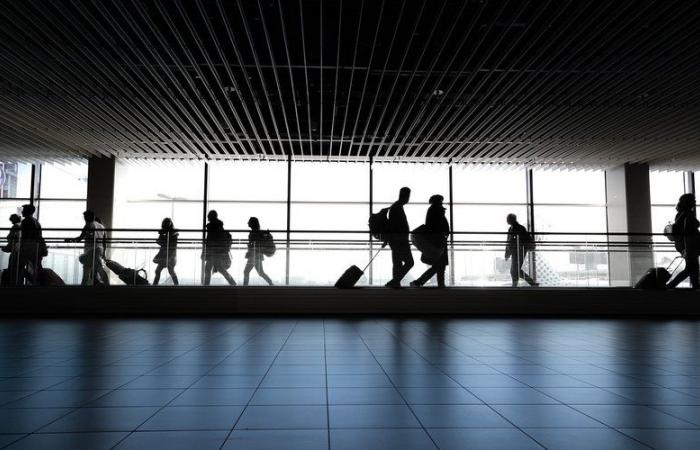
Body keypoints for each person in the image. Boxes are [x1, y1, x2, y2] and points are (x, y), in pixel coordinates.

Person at [411, 195, 449, 288]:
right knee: (439, 265)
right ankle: (420, 282)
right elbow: (437, 226)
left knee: (439, 265)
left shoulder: (433, 210)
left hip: (437, 240)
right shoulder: (436, 210)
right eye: (440, 201)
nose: (442, 202)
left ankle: (423, 282)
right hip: (438, 241)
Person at [66, 210, 107, 286]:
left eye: (85, 217)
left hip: (91, 251)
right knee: (94, 268)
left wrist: (69, 240)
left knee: (87, 265)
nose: (84, 219)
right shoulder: (101, 226)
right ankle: (105, 285)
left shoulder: (88, 225)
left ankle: (85, 287)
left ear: (89, 217)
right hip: (99, 250)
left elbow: (79, 239)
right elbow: (104, 243)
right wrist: (104, 254)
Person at [667, 193, 699, 288]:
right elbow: (687, 233)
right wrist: (687, 249)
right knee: (691, 268)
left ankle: (696, 286)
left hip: (683, 245)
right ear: (689, 202)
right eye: (693, 200)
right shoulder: (688, 215)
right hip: (689, 246)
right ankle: (671, 286)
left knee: (693, 267)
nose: (695, 202)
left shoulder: (680, 214)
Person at [385, 187, 414, 288]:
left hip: (395, 239)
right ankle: (394, 281)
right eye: (408, 196)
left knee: (397, 262)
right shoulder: (397, 207)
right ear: (406, 196)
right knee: (409, 262)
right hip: (400, 240)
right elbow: (397, 225)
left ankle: (395, 282)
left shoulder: (396, 206)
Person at [202, 210, 236, 286]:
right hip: (218, 251)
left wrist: (206, 251)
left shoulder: (212, 227)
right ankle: (232, 283)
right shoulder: (218, 226)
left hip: (214, 251)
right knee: (219, 269)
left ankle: (206, 286)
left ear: (211, 216)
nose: (207, 217)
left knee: (209, 268)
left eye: (208, 216)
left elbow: (210, 240)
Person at [505, 213, 538, 287]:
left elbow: (509, 242)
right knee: (515, 270)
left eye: (508, 219)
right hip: (516, 252)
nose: (507, 220)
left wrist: (507, 253)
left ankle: (516, 285)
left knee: (515, 270)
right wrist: (507, 253)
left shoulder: (517, 228)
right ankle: (531, 283)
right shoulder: (514, 228)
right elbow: (509, 242)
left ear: (512, 219)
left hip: (519, 251)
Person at [18, 204, 44, 285]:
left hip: (28, 247)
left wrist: (21, 247)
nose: (22, 211)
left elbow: (25, 236)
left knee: (19, 267)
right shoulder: (36, 221)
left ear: (27, 211)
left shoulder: (26, 221)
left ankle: (33, 282)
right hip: (36, 247)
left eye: (24, 210)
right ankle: (38, 283)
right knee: (37, 266)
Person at [243, 217, 273, 286]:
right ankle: (270, 282)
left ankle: (245, 286)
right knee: (260, 272)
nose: (248, 223)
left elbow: (254, 243)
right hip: (257, 254)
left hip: (254, 254)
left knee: (246, 271)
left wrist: (249, 247)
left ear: (252, 223)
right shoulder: (258, 232)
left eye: (249, 222)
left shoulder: (254, 232)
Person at [153, 218, 179, 285]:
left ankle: (154, 285)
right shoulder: (173, 234)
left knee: (160, 271)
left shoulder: (172, 234)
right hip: (168, 255)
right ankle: (177, 285)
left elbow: (161, 242)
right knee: (168, 271)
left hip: (168, 255)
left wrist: (162, 235)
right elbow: (161, 242)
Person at [1, 214, 22, 285]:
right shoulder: (21, 225)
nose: (11, 222)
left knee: (13, 267)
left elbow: (11, 238)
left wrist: (6, 248)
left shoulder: (15, 226)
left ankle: (12, 284)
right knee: (18, 269)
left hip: (15, 250)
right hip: (19, 249)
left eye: (11, 220)